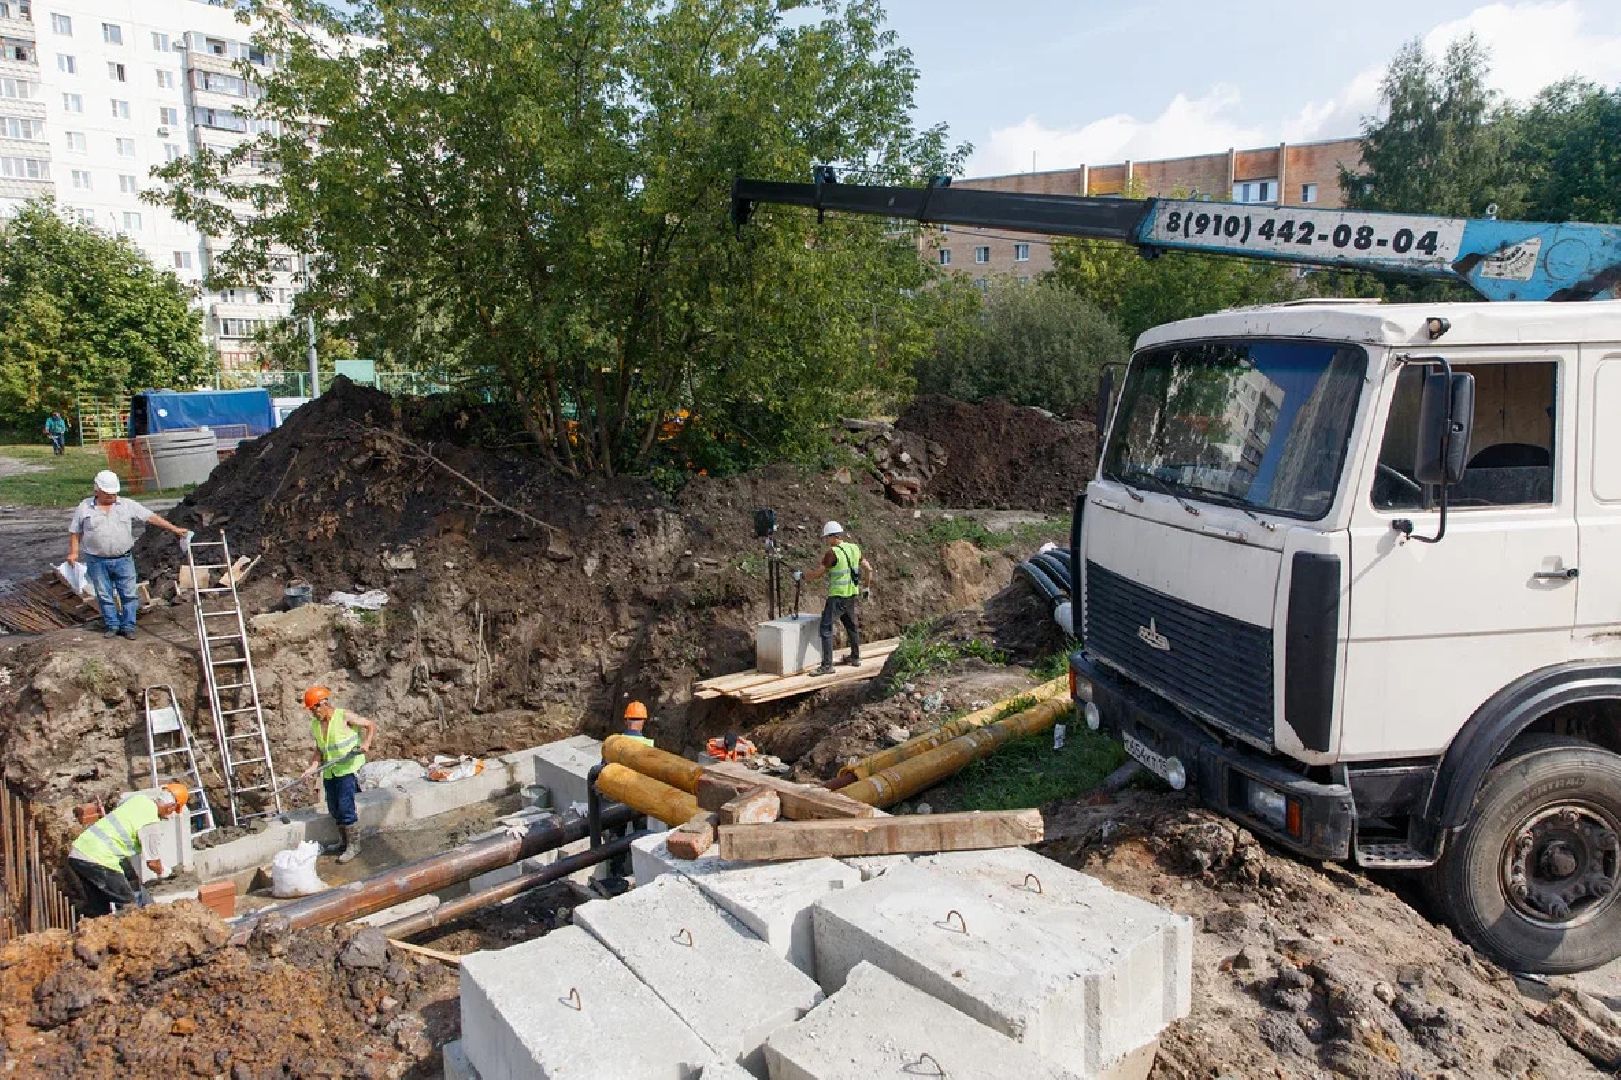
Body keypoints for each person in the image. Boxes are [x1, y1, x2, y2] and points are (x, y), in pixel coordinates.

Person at [68, 470, 191, 639]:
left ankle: (128, 626)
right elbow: (75, 531)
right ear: (97, 490)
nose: (112, 496)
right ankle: (112, 625)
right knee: (104, 594)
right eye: (108, 493)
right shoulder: (84, 507)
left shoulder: (127, 505)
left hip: (123, 559)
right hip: (97, 560)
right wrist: (74, 552)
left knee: (128, 593)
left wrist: (175, 529)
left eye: (114, 493)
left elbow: (151, 517)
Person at [66, 783, 189, 917]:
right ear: (171, 806)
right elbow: (153, 863)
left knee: (99, 908)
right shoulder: (151, 824)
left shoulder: (139, 799)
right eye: (174, 810)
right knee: (128, 905)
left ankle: (99, 932)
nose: (170, 815)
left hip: (79, 851)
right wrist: (165, 871)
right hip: (98, 858)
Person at [300, 686, 375, 864]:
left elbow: (370, 725)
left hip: (346, 769)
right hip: (330, 771)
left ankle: (354, 845)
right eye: (311, 710)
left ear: (323, 704)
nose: (313, 713)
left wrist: (366, 743)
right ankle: (343, 841)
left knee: (345, 807)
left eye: (314, 709)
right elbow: (320, 749)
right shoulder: (316, 724)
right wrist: (313, 766)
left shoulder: (343, 716)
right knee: (333, 808)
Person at [800, 520, 873, 676]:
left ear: (833, 536)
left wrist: (803, 576)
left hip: (837, 596)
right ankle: (855, 658)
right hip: (851, 595)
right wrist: (866, 587)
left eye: (827, 538)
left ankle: (827, 665)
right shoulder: (854, 548)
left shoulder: (832, 553)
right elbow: (868, 568)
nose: (826, 541)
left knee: (825, 628)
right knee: (851, 626)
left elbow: (818, 573)